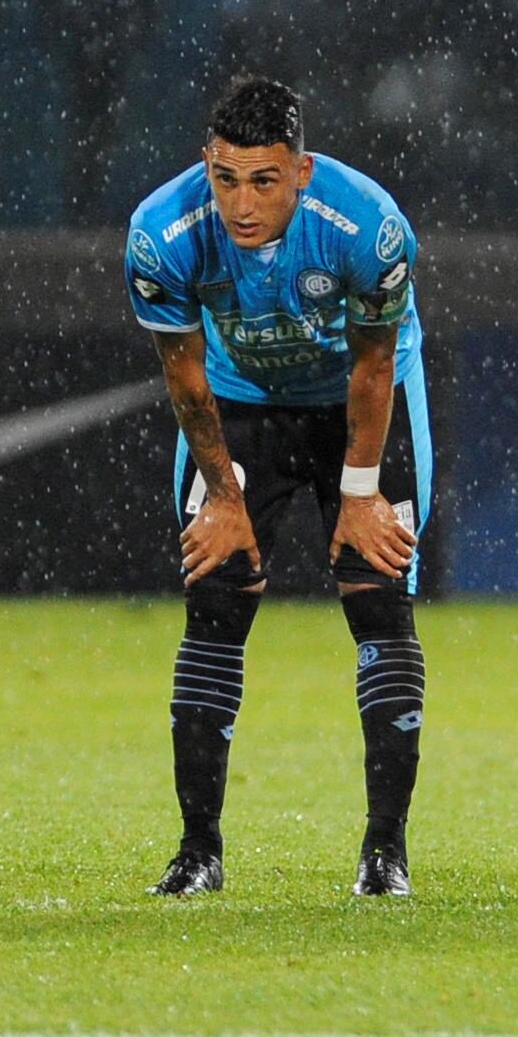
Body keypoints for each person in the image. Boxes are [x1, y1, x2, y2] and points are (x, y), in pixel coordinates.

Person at [128, 75, 429, 898]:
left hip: (357, 404)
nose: (242, 204)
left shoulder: (369, 227)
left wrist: (360, 492)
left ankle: (384, 854)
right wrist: (225, 498)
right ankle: (198, 852)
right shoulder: (162, 233)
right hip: (240, 402)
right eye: (226, 179)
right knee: (215, 597)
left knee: (377, 592)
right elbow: (185, 378)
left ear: (302, 170)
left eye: (264, 181)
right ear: (206, 165)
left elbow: (374, 363)